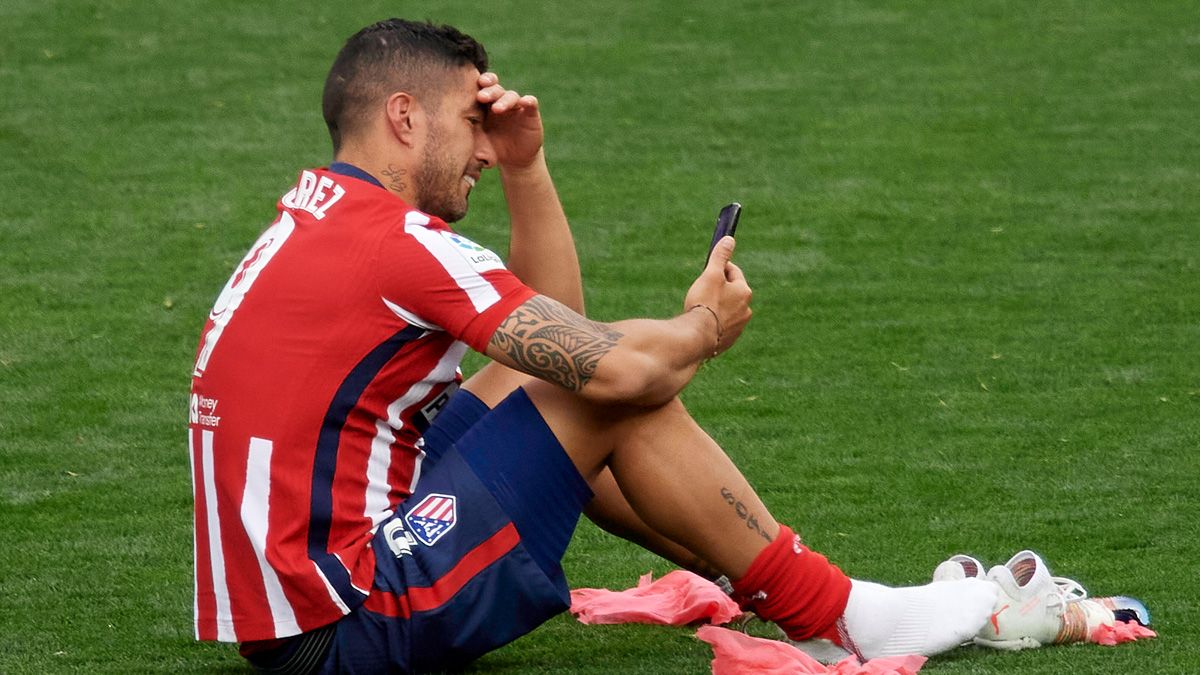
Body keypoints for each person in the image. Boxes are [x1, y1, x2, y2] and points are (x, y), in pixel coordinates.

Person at [187, 18, 997, 673]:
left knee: (573, 379)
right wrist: (705, 327)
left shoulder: (317, 216)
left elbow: (550, 334)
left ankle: (755, 578)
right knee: (617, 384)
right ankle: (844, 615)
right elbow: (616, 369)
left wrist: (524, 165)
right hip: (344, 618)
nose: (481, 146)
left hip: (288, 609)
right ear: (405, 116)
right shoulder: (398, 244)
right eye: (473, 124)